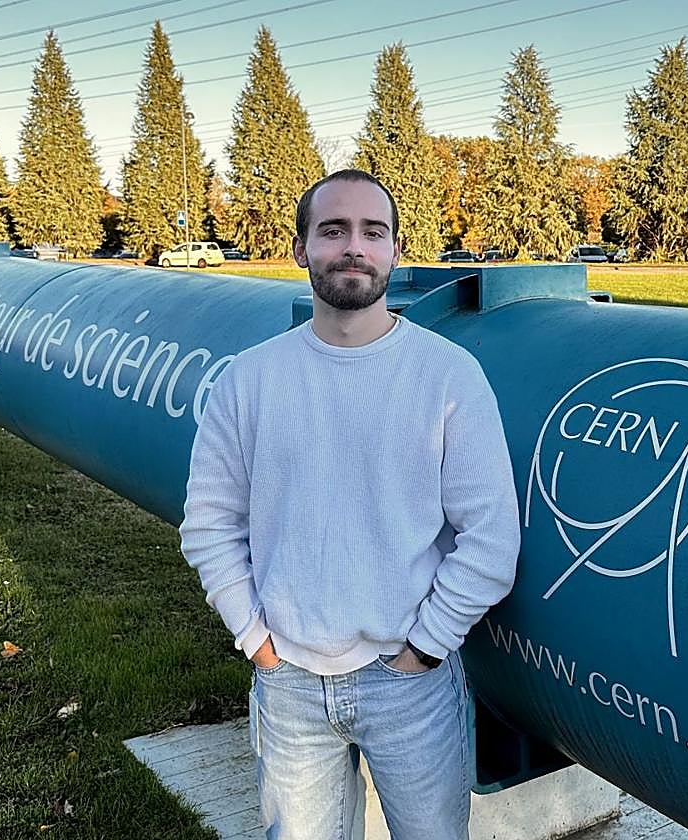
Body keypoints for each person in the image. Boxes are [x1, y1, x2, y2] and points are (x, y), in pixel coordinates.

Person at [179, 169, 521, 840]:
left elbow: (490, 541)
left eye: (373, 231)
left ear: (396, 249)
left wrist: (424, 649)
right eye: (333, 230)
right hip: (289, 685)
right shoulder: (249, 382)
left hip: (412, 686)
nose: (353, 248)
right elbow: (210, 525)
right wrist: (257, 640)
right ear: (301, 248)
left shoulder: (449, 377)